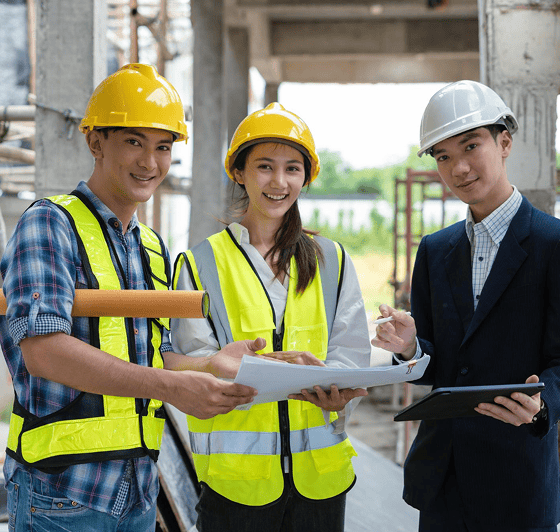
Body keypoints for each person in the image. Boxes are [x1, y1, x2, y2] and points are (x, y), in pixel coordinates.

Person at [0, 63, 267, 531]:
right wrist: (170, 388)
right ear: (95, 142)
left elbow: (153, 356)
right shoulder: (49, 223)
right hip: (62, 495)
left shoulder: (152, 248)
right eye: (134, 142)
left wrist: (210, 364)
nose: (150, 162)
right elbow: (43, 351)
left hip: (138, 491)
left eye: (163, 146)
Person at [171, 102, 371, 532]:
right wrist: (236, 367)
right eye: (264, 166)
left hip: (321, 482)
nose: (279, 182)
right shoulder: (200, 263)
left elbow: (351, 354)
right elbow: (191, 364)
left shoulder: (331, 260)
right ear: (239, 172)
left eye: (292, 169)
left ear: (306, 176)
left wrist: (342, 393)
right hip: (235, 487)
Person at [372, 80, 560, 531]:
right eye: (442, 156)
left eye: (471, 146)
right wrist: (412, 347)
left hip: (517, 480)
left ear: (505, 142)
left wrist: (544, 403)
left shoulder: (552, 245)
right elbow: (440, 366)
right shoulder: (436, 251)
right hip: (444, 482)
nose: (458, 168)